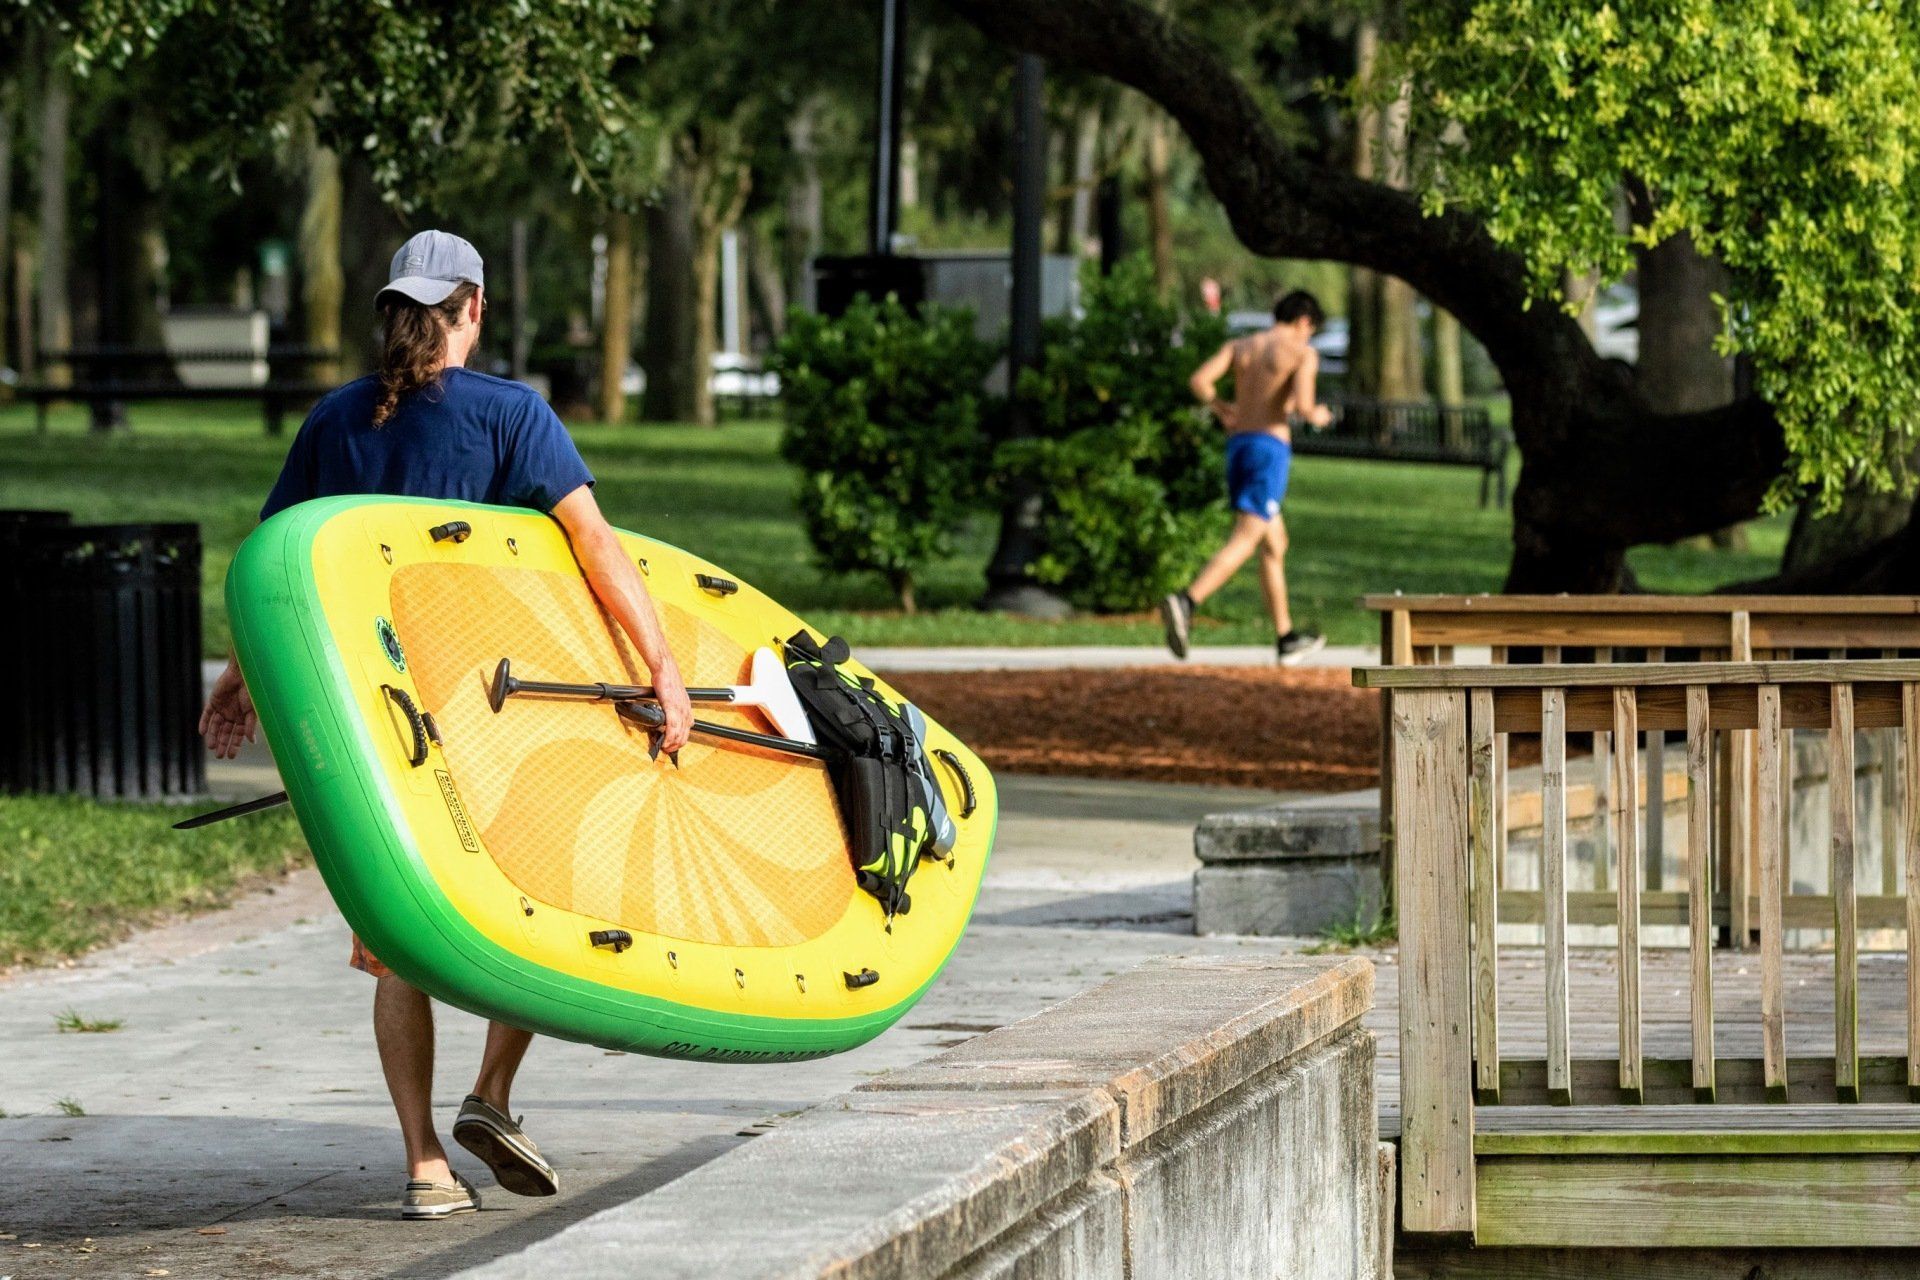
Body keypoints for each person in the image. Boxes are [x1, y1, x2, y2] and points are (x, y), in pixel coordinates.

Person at [198, 229, 694, 1222]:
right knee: (542, 905)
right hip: (495, 710)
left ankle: (425, 1160)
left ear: (394, 309)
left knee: (396, 942)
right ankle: (493, 1092)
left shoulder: (336, 418)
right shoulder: (515, 414)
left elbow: (274, 562)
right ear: (475, 307)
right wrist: (664, 667)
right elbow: (597, 548)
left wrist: (238, 673)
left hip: (376, 720)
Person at [1160, 290, 1331, 665]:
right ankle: (1187, 601)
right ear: (1304, 320)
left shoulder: (1241, 346)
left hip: (1238, 446)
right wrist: (1318, 414)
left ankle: (1286, 637)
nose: (1309, 336)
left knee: (1275, 543)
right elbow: (1304, 406)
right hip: (1269, 450)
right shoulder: (1301, 353)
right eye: (1311, 329)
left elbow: (1199, 381)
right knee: (1247, 536)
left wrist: (1221, 407)